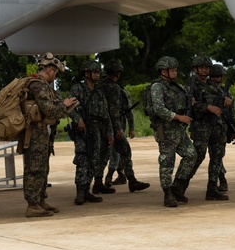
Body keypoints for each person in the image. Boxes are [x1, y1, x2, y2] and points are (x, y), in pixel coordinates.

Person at [22, 53, 78, 218]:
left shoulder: (43, 86)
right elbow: (49, 109)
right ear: (49, 69)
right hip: (36, 133)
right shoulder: (39, 85)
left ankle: (40, 200)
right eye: (55, 72)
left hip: (42, 133)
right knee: (34, 168)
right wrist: (64, 104)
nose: (55, 76)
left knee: (42, 168)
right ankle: (32, 204)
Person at [148, 56, 197, 208]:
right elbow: (159, 109)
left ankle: (177, 186)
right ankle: (167, 193)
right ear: (163, 71)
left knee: (191, 155)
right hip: (166, 128)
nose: (175, 72)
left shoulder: (176, 86)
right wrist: (178, 117)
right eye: (172, 70)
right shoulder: (157, 87)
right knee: (167, 162)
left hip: (178, 129)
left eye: (176, 70)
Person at [100, 59, 150, 193]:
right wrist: (117, 129)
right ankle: (131, 181)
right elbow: (113, 110)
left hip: (100, 126)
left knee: (103, 155)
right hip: (112, 127)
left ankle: (99, 182)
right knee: (125, 151)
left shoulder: (99, 87)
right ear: (118, 73)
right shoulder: (114, 88)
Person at [68, 60, 112, 205]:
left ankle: (87, 190)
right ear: (87, 73)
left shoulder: (99, 91)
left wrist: (110, 132)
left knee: (94, 161)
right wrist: (78, 120)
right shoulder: (77, 89)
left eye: (98, 72)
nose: (97, 75)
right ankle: (80, 192)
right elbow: (70, 107)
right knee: (82, 160)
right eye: (94, 72)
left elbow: (106, 114)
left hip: (96, 129)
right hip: (82, 130)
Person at [187, 55, 230, 201]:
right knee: (197, 157)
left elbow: (223, 98)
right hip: (201, 126)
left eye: (207, 67)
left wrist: (227, 101)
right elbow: (190, 104)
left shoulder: (212, 85)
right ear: (195, 69)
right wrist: (208, 107)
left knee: (217, 157)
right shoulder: (191, 86)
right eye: (202, 67)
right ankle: (180, 186)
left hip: (216, 126)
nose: (205, 70)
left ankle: (212, 188)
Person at [209, 64, 235, 193]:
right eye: (215, 76)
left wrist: (233, 130)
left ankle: (222, 180)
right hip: (208, 127)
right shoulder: (206, 89)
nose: (217, 78)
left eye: (219, 76)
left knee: (218, 155)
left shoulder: (226, 92)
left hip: (222, 127)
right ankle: (219, 181)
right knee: (214, 156)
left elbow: (232, 113)